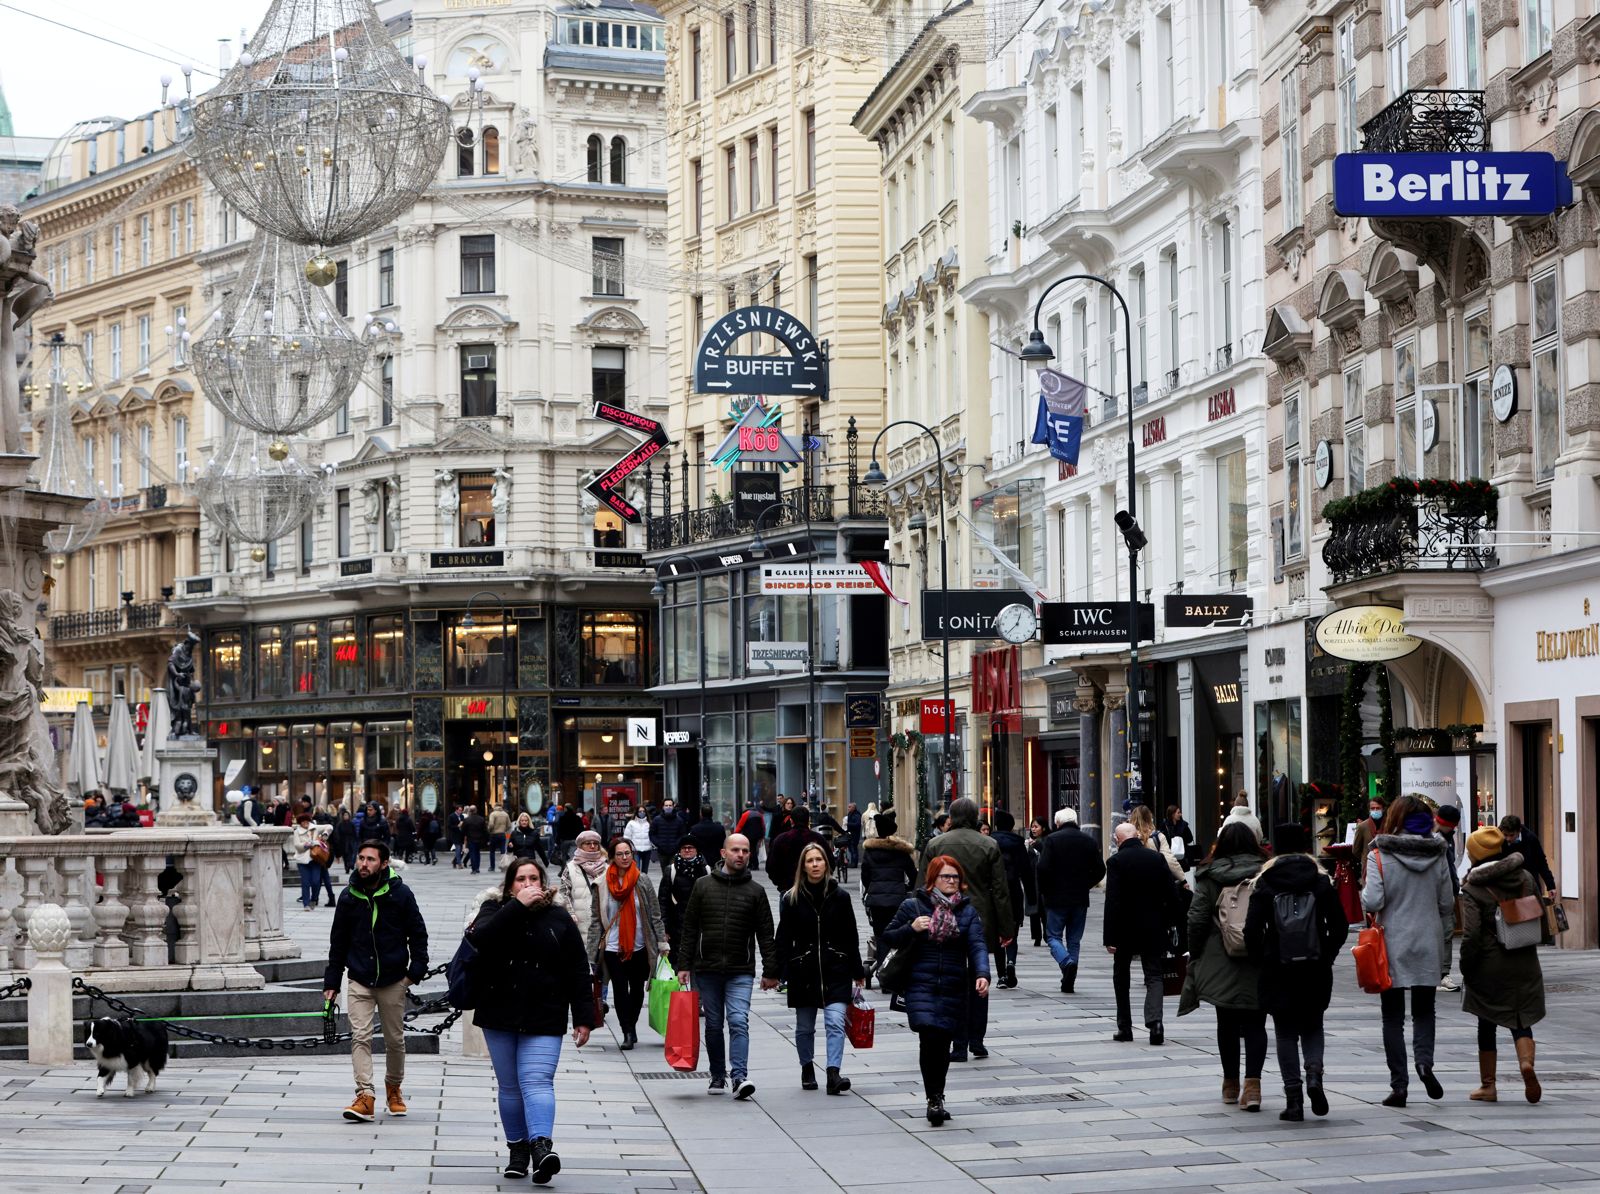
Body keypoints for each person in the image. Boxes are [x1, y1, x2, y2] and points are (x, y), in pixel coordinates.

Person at [466, 856, 596, 1182]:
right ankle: (517, 1150)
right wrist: (517, 908)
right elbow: (481, 939)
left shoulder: (558, 917)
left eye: (533, 879)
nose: (528, 885)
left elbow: (578, 969)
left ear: (543, 882)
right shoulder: (493, 911)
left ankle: (541, 1147)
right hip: (499, 1012)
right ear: (510, 886)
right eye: (521, 879)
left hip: (545, 1013)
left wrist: (584, 1017)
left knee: (537, 1081)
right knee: (510, 1087)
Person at [1245, 822, 1349, 1122]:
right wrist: (1325, 955)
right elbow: (1340, 927)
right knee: (1313, 1025)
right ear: (1306, 846)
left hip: (1278, 968)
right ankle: (1314, 1073)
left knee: (1285, 1032)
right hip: (1314, 968)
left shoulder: (1265, 882)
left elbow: (1251, 931)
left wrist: (1262, 958)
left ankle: (1294, 1099)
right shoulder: (1320, 881)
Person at [1361, 794, 1456, 1107]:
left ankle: (1399, 1086)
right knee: (1424, 1011)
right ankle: (1424, 1063)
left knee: (1392, 1018)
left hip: (1392, 943)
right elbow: (1446, 903)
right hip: (1427, 940)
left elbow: (1373, 901)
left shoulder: (1379, 855)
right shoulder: (1439, 855)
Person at [323, 841, 429, 1122]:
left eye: (370, 859)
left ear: (384, 864)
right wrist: (332, 981)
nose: (364, 864)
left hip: (393, 979)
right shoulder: (348, 896)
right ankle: (365, 1096)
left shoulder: (400, 894)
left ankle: (393, 1087)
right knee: (360, 1037)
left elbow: (418, 934)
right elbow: (338, 942)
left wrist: (414, 972)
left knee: (395, 1040)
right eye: (361, 858)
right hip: (359, 979)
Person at [881, 855, 990, 1126]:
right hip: (920, 982)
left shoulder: (966, 911)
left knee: (942, 1043)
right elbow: (888, 936)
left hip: (953, 985)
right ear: (933, 879)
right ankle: (933, 1099)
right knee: (929, 1036)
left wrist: (982, 974)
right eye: (946, 876)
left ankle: (937, 1095)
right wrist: (912, 927)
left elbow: (977, 945)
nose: (951, 881)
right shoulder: (913, 906)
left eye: (955, 877)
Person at [675, 834, 778, 1100]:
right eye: (735, 850)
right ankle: (717, 1074)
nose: (741, 855)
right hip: (706, 968)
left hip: (740, 969)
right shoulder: (703, 886)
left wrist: (771, 970)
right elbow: (689, 928)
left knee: (738, 1021)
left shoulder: (756, 892)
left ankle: (739, 1076)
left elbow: (766, 933)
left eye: (745, 850)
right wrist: (684, 964)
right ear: (724, 853)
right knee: (712, 1023)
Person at [918, 797, 1015, 1061]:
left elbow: (923, 886)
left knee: (953, 982)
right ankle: (977, 1040)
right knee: (979, 978)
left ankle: (958, 1043)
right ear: (975, 817)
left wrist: (920, 923)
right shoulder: (989, 844)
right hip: (980, 918)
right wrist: (1006, 927)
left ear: (951, 817)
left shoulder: (936, 844)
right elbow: (1000, 891)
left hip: (943, 918)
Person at [1181, 822, 1268, 1111]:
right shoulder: (1265, 872)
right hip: (1258, 955)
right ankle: (1253, 1087)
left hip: (1221, 955)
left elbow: (1196, 918)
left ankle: (1231, 1084)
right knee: (1256, 1021)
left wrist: (1196, 951)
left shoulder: (1210, 874)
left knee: (1226, 1021)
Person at [1461, 825, 1546, 1105]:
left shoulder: (1474, 886)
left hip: (1489, 963)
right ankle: (1526, 1064)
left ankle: (1489, 1086)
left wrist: (1466, 964)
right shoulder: (1524, 877)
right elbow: (1538, 914)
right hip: (1524, 958)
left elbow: (1471, 933)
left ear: (1475, 854)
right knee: (1521, 1016)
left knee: (1487, 1019)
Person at [774, 842, 865, 1093]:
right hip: (804, 970)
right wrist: (777, 972)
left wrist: (858, 970)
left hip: (836, 968)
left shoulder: (841, 896)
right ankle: (807, 1067)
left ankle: (833, 1073)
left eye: (819, 860)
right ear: (803, 866)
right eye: (810, 861)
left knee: (835, 1022)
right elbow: (783, 937)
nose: (815, 864)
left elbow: (851, 935)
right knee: (805, 1027)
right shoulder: (791, 898)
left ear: (827, 863)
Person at [1104, 821, 1182, 1045]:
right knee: (1154, 975)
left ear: (1119, 840)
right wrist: (1175, 924)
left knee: (1121, 976)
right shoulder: (1155, 858)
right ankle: (1155, 1022)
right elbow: (1171, 894)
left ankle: (1125, 1027)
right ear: (1137, 836)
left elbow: (1113, 901)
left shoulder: (1116, 861)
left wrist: (1109, 938)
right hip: (1154, 926)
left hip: (1125, 929)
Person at [586, 838, 668, 1050]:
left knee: (638, 990)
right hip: (613, 948)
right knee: (620, 990)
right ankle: (627, 1031)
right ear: (612, 857)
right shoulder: (601, 883)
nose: (624, 857)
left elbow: (655, 914)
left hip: (640, 946)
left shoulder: (643, 880)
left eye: (628, 853)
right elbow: (596, 920)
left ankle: (630, 1024)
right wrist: (590, 954)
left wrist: (661, 942)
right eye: (620, 854)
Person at [1034, 807, 1106, 993]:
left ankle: (1066, 963)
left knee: (1053, 936)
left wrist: (1045, 890)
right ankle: (1069, 978)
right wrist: (1086, 884)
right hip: (1079, 898)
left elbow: (1042, 868)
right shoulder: (1088, 841)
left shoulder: (1052, 840)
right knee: (1074, 940)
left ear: (1058, 823)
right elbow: (1100, 869)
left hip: (1056, 897)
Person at [859, 810, 917, 983]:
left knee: (881, 936)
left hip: (876, 901)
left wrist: (871, 889)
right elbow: (913, 875)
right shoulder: (901, 852)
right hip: (897, 900)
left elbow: (865, 876)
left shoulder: (870, 852)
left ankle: (882, 974)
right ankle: (894, 970)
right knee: (898, 934)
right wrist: (906, 887)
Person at [989, 810, 1033, 988]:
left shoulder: (990, 842)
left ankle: (1001, 975)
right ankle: (1011, 963)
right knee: (1012, 930)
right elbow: (1026, 870)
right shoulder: (1017, 843)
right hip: (1014, 891)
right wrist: (1032, 897)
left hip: (995, 891)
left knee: (998, 933)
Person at [658, 837, 710, 968]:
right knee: (677, 962)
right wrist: (664, 927)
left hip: (700, 924)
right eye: (684, 848)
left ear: (697, 850)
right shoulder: (671, 870)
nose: (687, 850)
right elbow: (663, 901)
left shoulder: (706, 870)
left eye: (690, 848)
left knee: (698, 963)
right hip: (676, 923)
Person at [1435, 803, 1464, 992]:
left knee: (1446, 934)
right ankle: (1442, 975)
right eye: (1452, 825)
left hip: (1448, 892)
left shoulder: (1446, 838)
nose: (1454, 828)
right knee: (1445, 934)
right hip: (1441, 894)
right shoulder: (1438, 840)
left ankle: (1440, 973)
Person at [767, 806, 828, 893]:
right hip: (814, 889)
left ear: (791, 820)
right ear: (808, 820)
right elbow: (830, 863)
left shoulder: (780, 840)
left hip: (787, 888)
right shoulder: (818, 839)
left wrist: (781, 883)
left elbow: (771, 866)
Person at [1498, 815, 1558, 897]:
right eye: (1505, 835)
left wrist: (1551, 886)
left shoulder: (1530, 838)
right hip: (1508, 887)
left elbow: (1541, 862)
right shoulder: (1498, 839)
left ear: (1519, 831)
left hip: (1529, 885)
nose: (1508, 838)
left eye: (1511, 835)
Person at [1129, 803, 1188, 884]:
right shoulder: (1158, 837)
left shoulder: (1127, 838)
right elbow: (1170, 861)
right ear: (1150, 818)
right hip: (1153, 882)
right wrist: (1183, 879)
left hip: (1132, 881)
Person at [291, 812, 330, 911]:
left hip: (315, 859)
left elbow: (329, 827)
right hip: (302, 860)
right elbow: (297, 846)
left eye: (307, 821)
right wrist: (308, 844)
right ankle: (306, 904)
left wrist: (325, 834)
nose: (305, 823)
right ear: (300, 823)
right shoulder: (297, 832)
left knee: (316, 881)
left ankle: (314, 899)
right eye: (303, 822)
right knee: (305, 882)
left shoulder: (315, 828)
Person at [1024, 816, 1048, 946]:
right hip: (1032, 880)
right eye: (1032, 826)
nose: (1033, 829)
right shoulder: (1028, 842)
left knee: (1044, 909)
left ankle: (1046, 934)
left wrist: (1037, 845)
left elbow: (1047, 854)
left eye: (1036, 826)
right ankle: (1037, 936)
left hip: (1043, 880)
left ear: (1043, 828)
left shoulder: (1047, 841)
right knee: (1034, 910)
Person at [1353, 796, 1386, 887]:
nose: (1375, 810)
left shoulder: (1389, 825)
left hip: (1387, 867)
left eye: (1378, 808)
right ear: (1369, 810)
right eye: (1372, 808)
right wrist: (1366, 858)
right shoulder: (1362, 827)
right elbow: (1356, 850)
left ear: (1383, 809)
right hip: (1368, 869)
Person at [1164, 804, 1196, 872]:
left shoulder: (1184, 825)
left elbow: (1190, 839)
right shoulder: (1165, 826)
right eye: (1178, 813)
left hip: (1182, 857)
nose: (1180, 814)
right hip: (1170, 857)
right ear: (1172, 814)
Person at [623, 807, 654, 872]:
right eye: (640, 811)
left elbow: (653, 835)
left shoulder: (649, 823)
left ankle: (643, 882)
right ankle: (637, 882)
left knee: (645, 870)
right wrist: (630, 847)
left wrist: (653, 844)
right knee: (636, 869)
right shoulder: (631, 823)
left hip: (647, 849)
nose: (642, 813)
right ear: (637, 812)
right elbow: (627, 837)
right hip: (635, 850)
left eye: (643, 811)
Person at [462, 805, 490, 875]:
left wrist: (465, 836)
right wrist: (487, 839)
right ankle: (477, 868)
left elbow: (463, 830)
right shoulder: (481, 819)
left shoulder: (467, 820)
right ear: (476, 810)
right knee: (477, 853)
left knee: (472, 853)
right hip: (479, 839)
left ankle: (474, 869)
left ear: (470, 811)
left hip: (471, 839)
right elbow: (485, 830)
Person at [487, 803, 512, 872]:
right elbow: (509, 825)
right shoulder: (505, 814)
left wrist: (489, 830)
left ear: (495, 807)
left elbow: (491, 824)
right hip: (502, 834)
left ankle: (492, 867)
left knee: (492, 851)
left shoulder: (493, 814)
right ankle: (503, 865)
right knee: (502, 850)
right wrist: (504, 829)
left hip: (494, 834)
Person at [844, 802, 863, 866]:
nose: (848, 808)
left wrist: (848, 824)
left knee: (853, 849)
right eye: (848, 806)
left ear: (854, 808)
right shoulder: (850, 814)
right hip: (850, 834)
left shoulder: (857, 815)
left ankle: (854, 863)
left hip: (855, 835)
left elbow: (857, 825)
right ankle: (852, 862)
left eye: (850, 807)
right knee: (851, 849)